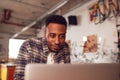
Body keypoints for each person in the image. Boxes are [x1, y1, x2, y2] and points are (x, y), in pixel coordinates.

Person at [14, 15, 71, 80]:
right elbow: (19, 77)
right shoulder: (29, 45)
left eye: (61, 36)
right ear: (45, 33)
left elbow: (67, 74)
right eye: (52, 36)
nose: (57, 42)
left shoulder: (65, 47)